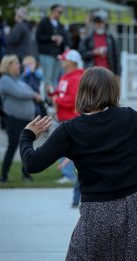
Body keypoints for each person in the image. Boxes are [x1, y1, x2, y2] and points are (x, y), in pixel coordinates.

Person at [19, 66, 137, 261]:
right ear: (113, 91)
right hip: (136, 207)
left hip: (97, 214)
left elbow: (32, 164)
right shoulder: (128, 116)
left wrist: (27, 135)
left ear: (83, 92)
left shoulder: (70, 130)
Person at [0, 54, 42, 183]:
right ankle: (3, 176)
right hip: (13, 119)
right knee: (12, 146)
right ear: (9, 65)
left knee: (27, 146)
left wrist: (32, 91)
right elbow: (20, 93)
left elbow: (29, 88)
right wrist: (34, 94)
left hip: (25, 119)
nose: (19, 65)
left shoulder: (18, 79)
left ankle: (26, 173)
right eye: (16, 63)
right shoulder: (5, 80)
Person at [48, 49, 84, 185]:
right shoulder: (65, 76)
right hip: (62, 118)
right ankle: (69, 174)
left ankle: (70, 176)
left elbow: (73, 99)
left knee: (66, 148)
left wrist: (57, 100)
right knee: (62, 148)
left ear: (70, 62)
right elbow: (60, 93)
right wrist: (52, 94)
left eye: (64, 59)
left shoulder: (76, 77)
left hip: (71, 118)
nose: (62, 62)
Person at [36, 4, 70, 88]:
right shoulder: (44, 22)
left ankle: (53, 99)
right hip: (46, 54)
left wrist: (61, 40)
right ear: (52, 11)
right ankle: (46, 99)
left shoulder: (60, 25)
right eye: (58, 12)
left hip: (57, 54)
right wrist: (52, 38)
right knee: (47, 78)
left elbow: (65, 38)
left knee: (55, 78)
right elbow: (38, 37)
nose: (59, 14)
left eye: (61, 12)